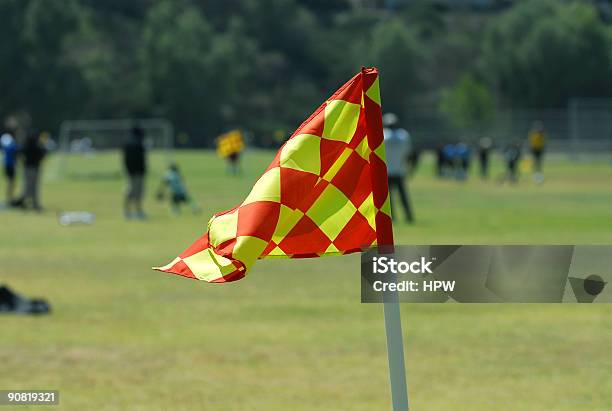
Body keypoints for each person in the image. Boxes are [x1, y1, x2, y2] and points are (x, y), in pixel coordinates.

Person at [383, 113, 414, 223]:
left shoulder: (383, 135)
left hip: (387, 171)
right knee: (403, 196)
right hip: (400, 170)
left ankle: (392, 217)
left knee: (388, 198)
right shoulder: (403, 135)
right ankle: (409, 216)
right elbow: (409, 153)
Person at [11, 132, 46, 211]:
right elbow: (44, 153)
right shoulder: (37, 146)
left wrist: (21, 161)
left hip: (28, 168)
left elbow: (17, 153)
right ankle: (33, 204)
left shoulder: (26, 146)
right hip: (35, 168)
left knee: (28, 187)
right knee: (33, 187)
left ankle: (25, 203)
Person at [123, 125, 147, 220]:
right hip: (137, 172)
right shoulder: (138, 144)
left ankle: (131, 211)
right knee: (135, 192)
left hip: (131, 171)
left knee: (134, 192)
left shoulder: (128, 143)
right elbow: (141, 160)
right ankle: (134, 211)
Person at [1, 133, 18, 204]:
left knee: (10, 182)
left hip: (6, 165)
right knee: (11, 182)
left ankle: (9, 196)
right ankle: (9, 197)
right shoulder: (12, 146)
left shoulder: (5, 147)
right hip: (10, 165)